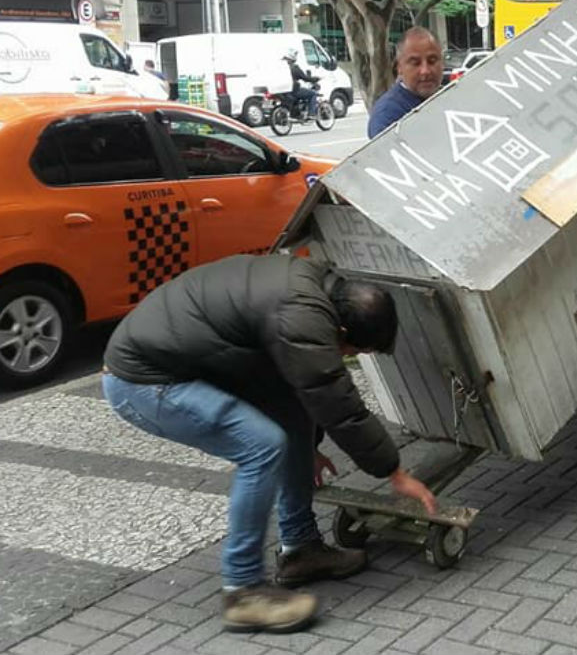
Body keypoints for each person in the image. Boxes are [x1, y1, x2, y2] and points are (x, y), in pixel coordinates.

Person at [102, 254, 436, 633]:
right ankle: (243, 593)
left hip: (175, 363)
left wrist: (307, 445)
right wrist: (393, 472)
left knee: (292, 423)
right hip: (143, 382)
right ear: (342, 330)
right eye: (353, 352)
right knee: (261, 446)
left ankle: (301, 550)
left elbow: (294, 389)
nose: (347, 358)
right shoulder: (302, 315)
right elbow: (338, 401)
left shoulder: (312, 292)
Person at [367, 27, 444, 138]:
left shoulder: (448, 99)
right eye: (415, 63)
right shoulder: (387, 115)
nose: (425, 71)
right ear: (399, 67)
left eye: (432, 61)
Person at [284, 48, 318, 118]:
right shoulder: (295, 68)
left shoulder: (281, 67)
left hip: (283, 90)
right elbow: (305, 78)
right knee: (313, 94)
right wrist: (315, 79)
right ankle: (311, 114)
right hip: (293, 90)